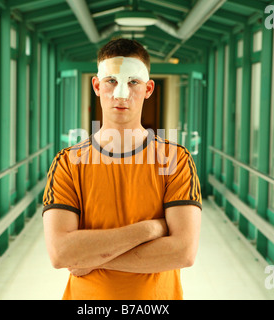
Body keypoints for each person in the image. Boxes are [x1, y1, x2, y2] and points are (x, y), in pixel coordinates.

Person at [42, 38, 202, 300]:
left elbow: (183, 252)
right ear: (96, 85)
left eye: (133, 82)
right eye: (111, 81)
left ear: (149, 89)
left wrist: (91, 258)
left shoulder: (176, 159)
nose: (121, 94)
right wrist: (150, 230)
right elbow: (61, 254)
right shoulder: (68, 163)